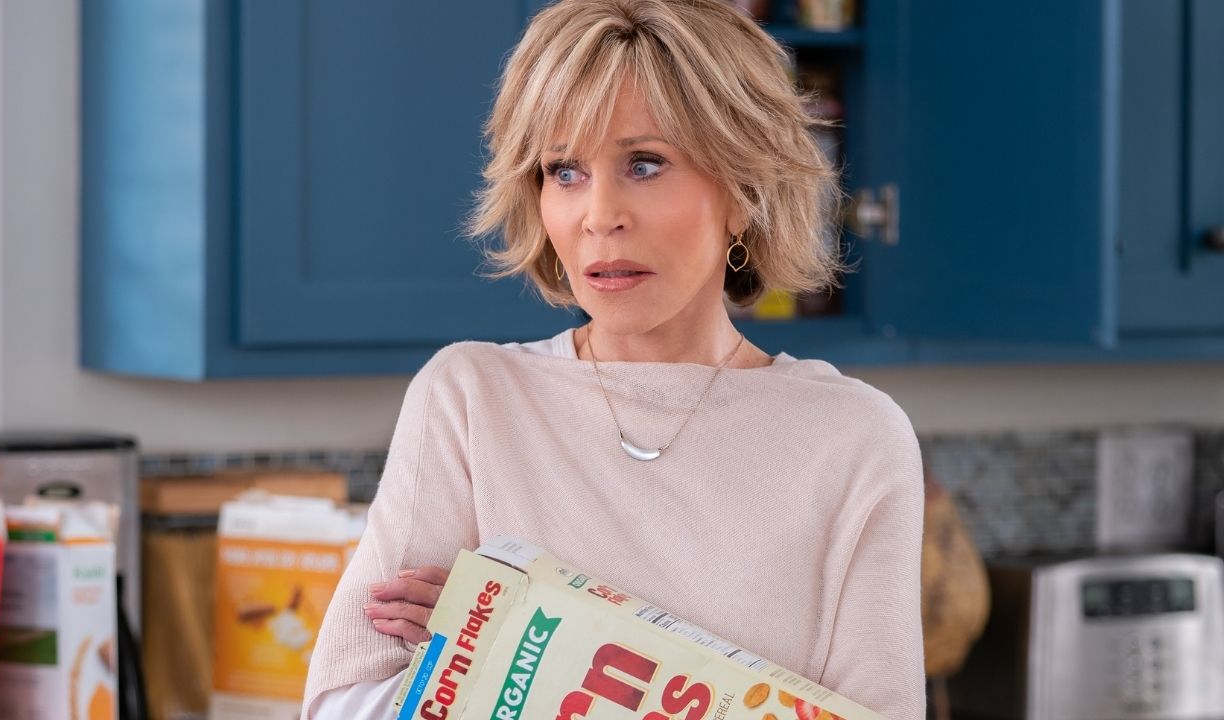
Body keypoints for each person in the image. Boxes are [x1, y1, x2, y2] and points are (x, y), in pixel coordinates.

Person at [302, 0, 924, 718]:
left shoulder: (853, 439)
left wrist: (523, 649)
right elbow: (344, 706)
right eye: (564, 171)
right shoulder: (471, 399)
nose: (599, 216)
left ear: (743, 190)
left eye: (645, 164)